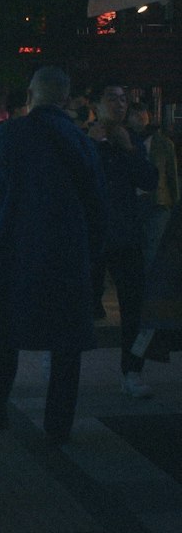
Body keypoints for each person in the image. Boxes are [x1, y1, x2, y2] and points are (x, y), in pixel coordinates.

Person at [0, 66, 107, 445]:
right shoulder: (78, 141)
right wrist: (94, 252)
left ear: (31, 95)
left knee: (7, 331)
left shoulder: (7, 136)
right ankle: (57, 425)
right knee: (67, 344)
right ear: (65, 99)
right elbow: (96, 202)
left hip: (15, 250)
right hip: (66, 253)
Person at [90, 83, 159, 396]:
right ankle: (61, 360)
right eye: (111, 98)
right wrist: (94, 145)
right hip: (91, 235)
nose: (119, 105)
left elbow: (149, 179)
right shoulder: (85, 137)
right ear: (98, 105)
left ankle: (132, 371)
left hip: (125, 234)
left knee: (134, 307)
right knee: (78, 303)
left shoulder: (131, 138)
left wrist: (128, 149)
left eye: (123, 99)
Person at [126, 103, 179, 273]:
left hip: (158, 200)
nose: (140, 116)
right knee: (134, 244)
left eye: (143, 112)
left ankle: (148, 282)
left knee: (152, 243)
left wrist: (173, 203)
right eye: (135, 113)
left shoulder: (163, 143)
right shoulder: (123, 140)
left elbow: (171, 175)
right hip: (132, 201)